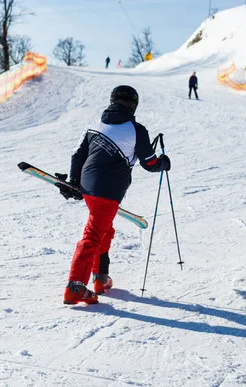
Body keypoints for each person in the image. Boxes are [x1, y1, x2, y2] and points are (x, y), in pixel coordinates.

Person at [57, 85, 171, 305]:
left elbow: (78, 154)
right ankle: (75, 287)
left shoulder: (95, 124)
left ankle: (100, 278)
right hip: (108, 192)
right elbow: (149, 163)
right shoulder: (136, 130)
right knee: (92, 236)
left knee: (104, 230)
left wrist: (74, 180)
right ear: (134, 105)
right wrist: (163, 164)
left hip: (89, 188)